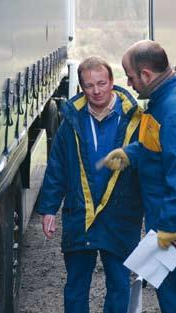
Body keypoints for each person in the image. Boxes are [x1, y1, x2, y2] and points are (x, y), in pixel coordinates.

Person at [104, 40, 176, 313]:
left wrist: (170, 224)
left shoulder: (174, 111)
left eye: (130, 77)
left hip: (174, 216)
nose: (129, 84)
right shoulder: (166, 100)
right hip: (168, 211)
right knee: (172, 287)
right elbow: (159, 147)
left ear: (147, 75)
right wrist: (131, 153)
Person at [37, 56, 143, 313]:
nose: (96, 91)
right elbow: (57, 167)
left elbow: (150, 170)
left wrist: (156, 214)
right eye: (89, 86)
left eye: (101, 83)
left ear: (112, 82)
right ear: (81, 88)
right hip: (80, 215)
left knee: (119, 285)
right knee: (76, 286)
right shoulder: (72, 122)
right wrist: (49, 209)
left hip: (120, 217)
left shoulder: (135, 121)